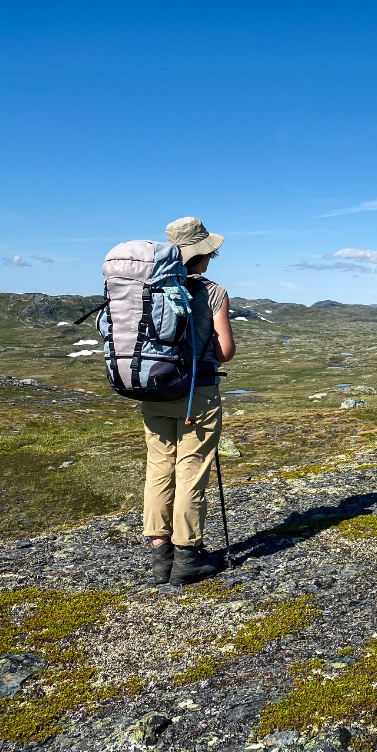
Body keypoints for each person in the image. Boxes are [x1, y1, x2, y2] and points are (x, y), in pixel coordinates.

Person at [142, 217, 236, 585]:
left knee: (158, 468)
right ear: (205, 253)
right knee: (191, 471)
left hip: (154, 391)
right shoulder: (213, 292)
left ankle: (159, 558)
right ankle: (186, 559)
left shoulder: (150, 288)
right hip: (197, 394)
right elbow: (225, 351)